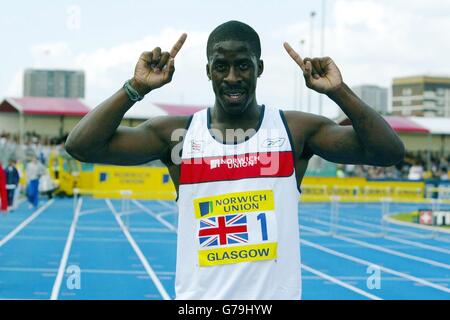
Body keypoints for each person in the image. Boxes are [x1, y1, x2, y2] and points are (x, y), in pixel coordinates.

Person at [66, 21, 405, 299]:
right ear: (208, 71)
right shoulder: (178, 135)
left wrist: (338, 91)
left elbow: (388, 153)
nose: (232, 77)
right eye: (221, 66)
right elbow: (82, 146)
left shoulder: (294, 131)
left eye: (242, 65)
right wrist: (135, 87)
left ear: (258, 68)